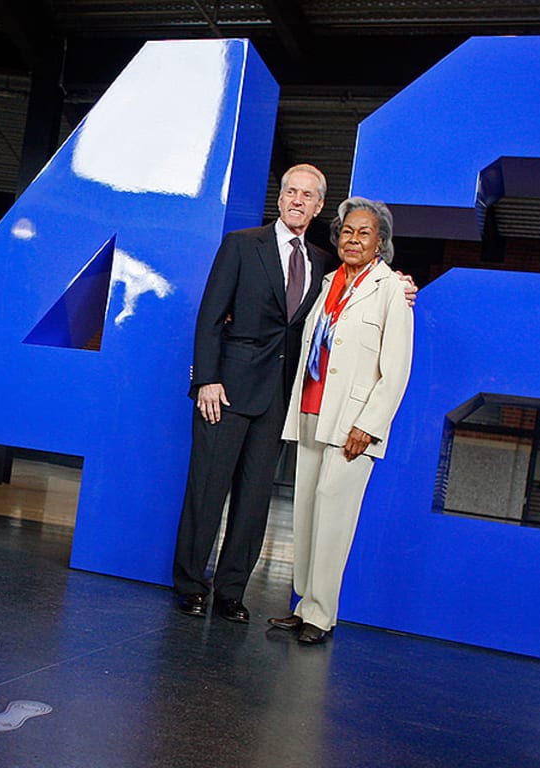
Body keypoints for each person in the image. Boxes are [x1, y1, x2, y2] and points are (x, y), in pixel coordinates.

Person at [171, 165, 416, 623]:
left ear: (320, 206)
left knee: (255, 501)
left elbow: (364, 286)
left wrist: (401, 285)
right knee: (206, 491)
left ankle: (230, 592)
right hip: (225, 392)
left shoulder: (327, 263)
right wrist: (206, 378)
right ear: (280, 198)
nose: (298, 200)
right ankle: (189, 585)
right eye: (290, 192)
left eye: (308, 195)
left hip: (281, 402)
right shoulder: (242, 245)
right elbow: (209, 317)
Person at [268, 197, 414, 644]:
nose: (353, 239)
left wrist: (368, 425)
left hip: (352, 424)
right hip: (313, 409)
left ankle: (322, 615)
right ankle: (303, 604)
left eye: (363, 233)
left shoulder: (391, 290)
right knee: (309, 514)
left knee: (335, 518)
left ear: (381, 243)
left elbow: (397, 368)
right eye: (347, 232)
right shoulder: (330, 281)